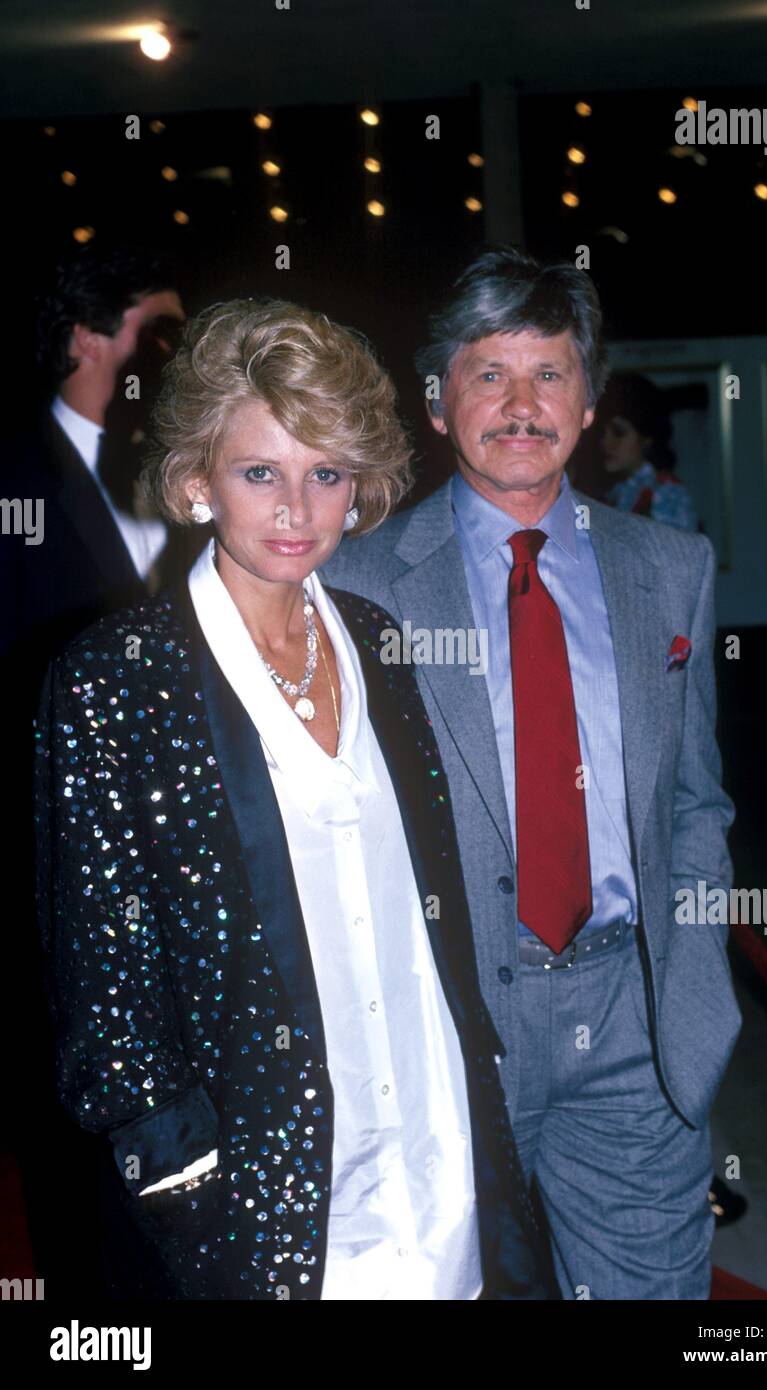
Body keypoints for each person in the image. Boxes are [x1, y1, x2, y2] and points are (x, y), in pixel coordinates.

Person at [33, 297, 557, 1301]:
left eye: (326, 474)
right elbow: (100, 977)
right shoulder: (117, 679)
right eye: (259, 471)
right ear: (195, 479)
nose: (296, 509)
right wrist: (187, 1175)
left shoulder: (378, 645)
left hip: (432, 1136)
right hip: (260, 1189)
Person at [321, 246, 743, 1299]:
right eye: (488, 373)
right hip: (443, 1028)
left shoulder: (669, 569)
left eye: (549, 373)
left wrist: (688, 993)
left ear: (589, 397)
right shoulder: (354, 581)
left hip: (630, 1026)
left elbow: (696, 797)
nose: (521, 403)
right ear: (435, 401)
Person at [1, 243, 191, 1294]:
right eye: (155, 331)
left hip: (191, 872)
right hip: (57, 875)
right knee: (74, 1128)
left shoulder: (200, 471)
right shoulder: (13, 482)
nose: (177, 353)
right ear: (85, 339)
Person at [600, 372, 699, 530]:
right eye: (601, 433)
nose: (606, 443)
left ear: (646, 438)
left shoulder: (666, 494)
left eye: (619, 433)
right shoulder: (611, 491)